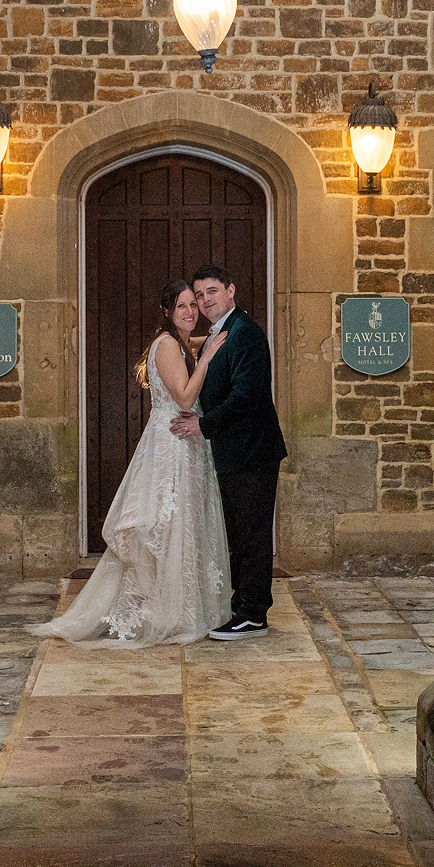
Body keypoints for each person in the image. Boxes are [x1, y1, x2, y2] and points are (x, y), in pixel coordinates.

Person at [30, 281, 233, 646]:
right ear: (168, 312)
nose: (190, 312)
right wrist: (206, 358)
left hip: (184, 446)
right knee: (164, 525)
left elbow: (202, 343)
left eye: (193, 305)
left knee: (180, 526)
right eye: (182, 306)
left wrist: (214, 337)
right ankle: (161, 611)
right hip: (171, 447)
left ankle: (178, 605)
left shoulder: (181, 342)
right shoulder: (168, 345)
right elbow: (186, 398)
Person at [170, 264, 288, 638]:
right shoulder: (218, 333)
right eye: (199, 295)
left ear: (231, 290)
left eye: (211, 292)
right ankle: (241, 605)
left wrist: (203, 425)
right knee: (238, 532)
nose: (204, 301)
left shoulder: (245, 333)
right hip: (232, 451)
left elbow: (247, 395)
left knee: (252, 534)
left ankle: (253, 613)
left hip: (252, 450)